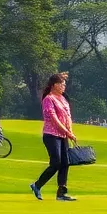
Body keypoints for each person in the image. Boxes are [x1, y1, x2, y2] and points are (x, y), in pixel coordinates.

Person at [31, 73, 78, 202]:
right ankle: (37, 185)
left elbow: (68, 117)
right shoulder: (48, 99)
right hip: (51, 135)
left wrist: (70, 131)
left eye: (64, 84)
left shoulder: (63, 99)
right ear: (54, 85)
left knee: (65, 163)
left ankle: (61, 193)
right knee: (56, 162)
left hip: (63, 135)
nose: (64, 86)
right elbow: (54, 119)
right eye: (61, 84)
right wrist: (68, 132)